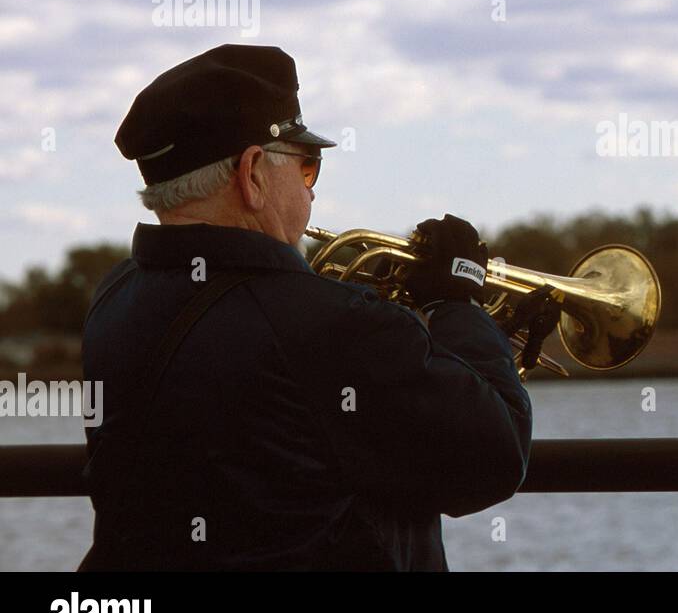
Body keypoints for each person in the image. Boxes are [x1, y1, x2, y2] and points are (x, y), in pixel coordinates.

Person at [79, 43, 531, 570]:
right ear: (251, 174)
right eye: (308, 166)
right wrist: (458, 301)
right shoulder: (332, 324)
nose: (311, 193)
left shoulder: (114, 298)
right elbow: (496, 456)